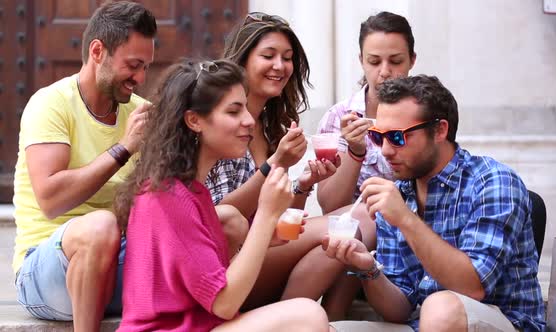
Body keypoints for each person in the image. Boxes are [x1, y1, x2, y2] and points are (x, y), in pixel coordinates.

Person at [115, 58, 330, 331]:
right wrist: (266, 215)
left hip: (202, 324)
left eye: (245, 109)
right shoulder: (167, 198)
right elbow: (224, 302)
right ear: (194, 120)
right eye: (233, 111)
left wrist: (265, 234)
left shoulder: (189, 191)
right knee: (308, 315)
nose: (249, 121)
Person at [325, 75, 546, 331]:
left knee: (441, 309)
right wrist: (368, 269)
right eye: (377, 137)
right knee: (323, 327)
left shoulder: (493, 181)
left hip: (505, 322)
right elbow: (399, 310)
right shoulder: (399, 193)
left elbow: (473, 286)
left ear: (440, 130)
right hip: (425, 323)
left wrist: (406, 219)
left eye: (397, 137)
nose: (385, 150)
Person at [11, 2, 156, 330]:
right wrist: (125, 148)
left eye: (146, 66)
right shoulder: (51, 104)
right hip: (45, 272)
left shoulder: (141, 112)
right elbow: (51, 200)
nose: (141, 78)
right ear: (97, 51)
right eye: (133, 65)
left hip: (115, 263)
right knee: (101, 225)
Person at [204, 12, 355, 317]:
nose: (280, 66)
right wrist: (275, 164)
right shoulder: (219, 123)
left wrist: (303, 184)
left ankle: (305, 322)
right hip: (223, 264)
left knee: (341, 240)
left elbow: (278, 213)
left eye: (287, 58)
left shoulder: (274, 126)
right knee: (356, 222)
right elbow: (213, 216)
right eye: (268, 56)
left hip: (265, 247)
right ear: (242, 60)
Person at [317, 11, 416, 214]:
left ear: (412, 60)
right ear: (362, 60)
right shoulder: (340, 116)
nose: (385, 71)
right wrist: (355, 151)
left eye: (396, 61)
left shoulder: (424, 116)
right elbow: (330, 206)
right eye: (374, 61)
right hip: (351, 230)